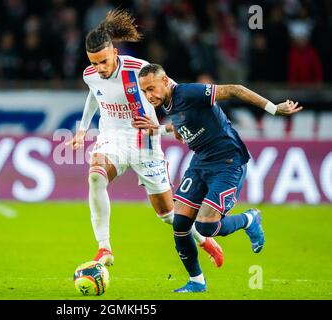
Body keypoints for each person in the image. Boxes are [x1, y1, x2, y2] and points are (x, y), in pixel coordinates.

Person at [66, 10, 224, 268]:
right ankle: (104, 248)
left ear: (115, 53)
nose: (100, 69)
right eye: (94, 63)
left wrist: (181, 122)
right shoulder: (90, 74)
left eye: (104, 62)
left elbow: (173, 91)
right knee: (95, 175)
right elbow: (95, 93)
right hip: (112, 137)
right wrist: (83, 129)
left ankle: (204, 240)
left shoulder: (139, 69)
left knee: (167, 214)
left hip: (145, 142)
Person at [135, 63, 302, 292]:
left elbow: (235, 89)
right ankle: (197, 282)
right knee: (180, 223)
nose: (148, 95)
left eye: (151, 88)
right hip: (201, 161)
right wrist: (158, 129)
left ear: (165, 81)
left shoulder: (189, 92)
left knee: (205, 226)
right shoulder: (165, 102)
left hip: (227, 162)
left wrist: (274, 108)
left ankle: (249, 220)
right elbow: (181, 124)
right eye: (144, 91)